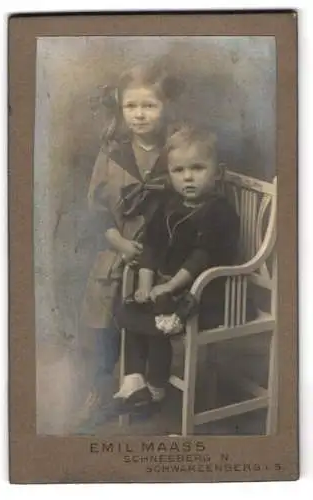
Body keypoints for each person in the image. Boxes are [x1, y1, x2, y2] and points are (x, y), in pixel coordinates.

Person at [77, 62, 182, 428]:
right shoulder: (112, 155)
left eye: (149, 106)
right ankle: (103, 384)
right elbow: (97, 213)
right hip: (119, 246)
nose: (139, 114)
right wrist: (120, 243)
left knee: (148, 306)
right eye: (131, 106)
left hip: (162, 258)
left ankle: (148, 387)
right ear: (121, 109)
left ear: (166, 105)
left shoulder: (178, 152)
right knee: (104, 303)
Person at [109, 125, 241, 415]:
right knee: (135, 308)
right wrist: (145, 284)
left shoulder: (219, 212)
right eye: (179, 171)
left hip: (209, 294)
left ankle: (155, 385)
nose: (188, 177)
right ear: (170, 174)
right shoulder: (169, 205)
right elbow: (152, 246)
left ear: (216, 172)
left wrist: (167, 287)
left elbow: (202, 257)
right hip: (169, 290)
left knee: (155, 312)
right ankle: (134, 380)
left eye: (197, 168)